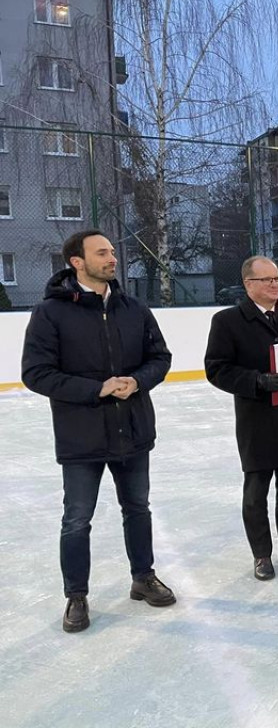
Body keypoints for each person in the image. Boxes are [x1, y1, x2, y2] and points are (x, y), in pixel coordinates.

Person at [22, 230, 176, 633]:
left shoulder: (133, 307)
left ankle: (143, 577)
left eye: (112, 251)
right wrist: (97, 389)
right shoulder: (50, 313)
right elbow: (36, 373)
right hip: (81, 436)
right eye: (102, 253)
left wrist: (138, 381)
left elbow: (160, 357)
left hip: (133, 429)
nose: (112, 258)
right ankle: (76, 595)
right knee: (77, 519)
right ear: (77, 261)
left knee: (137, 509)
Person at [205, 256, 278, 581]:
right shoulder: (228, 321)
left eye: (277, 279)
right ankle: (261, 554)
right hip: (258, 420)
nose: (275, 284)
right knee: (256, 492)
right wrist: (255, 381)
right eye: (267, 279)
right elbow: (216, 368)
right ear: (248, 284)